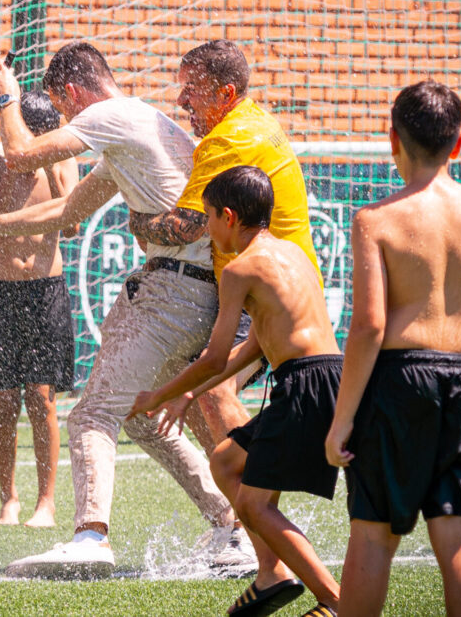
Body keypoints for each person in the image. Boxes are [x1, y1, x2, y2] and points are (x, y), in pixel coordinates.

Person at [0, 41, 241, 578]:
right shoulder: (131, 128)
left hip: (174, 291)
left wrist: (8, 99)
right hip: (189, 290)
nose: (67, 120)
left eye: (61, 106)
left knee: (92, 414)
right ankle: (235, 530)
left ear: (70, 93)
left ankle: (91, 536)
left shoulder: (110, 115)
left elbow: (21, 153)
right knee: (146, 417)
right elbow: (64, 211)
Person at [324, 80, 461, 616]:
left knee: (372, 535)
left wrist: (342, 418)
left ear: (391, 139)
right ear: (459, 143)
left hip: (398, 381)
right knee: (460, 530)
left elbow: (369, 326)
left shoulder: (374, 220)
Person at [127, 40, 323, 572]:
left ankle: (250, 536)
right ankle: (254, 541)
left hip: (271, 295)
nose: (183, 98)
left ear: (226, 92)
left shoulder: (228, 140)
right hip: (285, 287)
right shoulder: (251, 121)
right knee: (211, 407)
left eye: (192, 88)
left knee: (212, 394)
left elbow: (185, 225)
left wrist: (137, 219)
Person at [128, 166, 341, 617]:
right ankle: (272, 574)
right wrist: (189, 396)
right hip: (325, 377)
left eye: (207, 217)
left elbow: (214, 357)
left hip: (306, 384)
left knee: (253, 502)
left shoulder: (240, 269)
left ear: (228, 216)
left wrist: (160, 394)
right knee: (225, 461)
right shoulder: (291, 252)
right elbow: (259, 341)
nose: (205, 229)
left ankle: (338, 602)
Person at [0, 91, 78, 527]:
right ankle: (9, 498)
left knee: (42, 399)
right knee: (4, 399)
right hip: (1, 290)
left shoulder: (63, 162)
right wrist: (13, 166)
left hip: (44, 290)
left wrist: (52, 170)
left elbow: (71, 224)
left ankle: (46, 502)